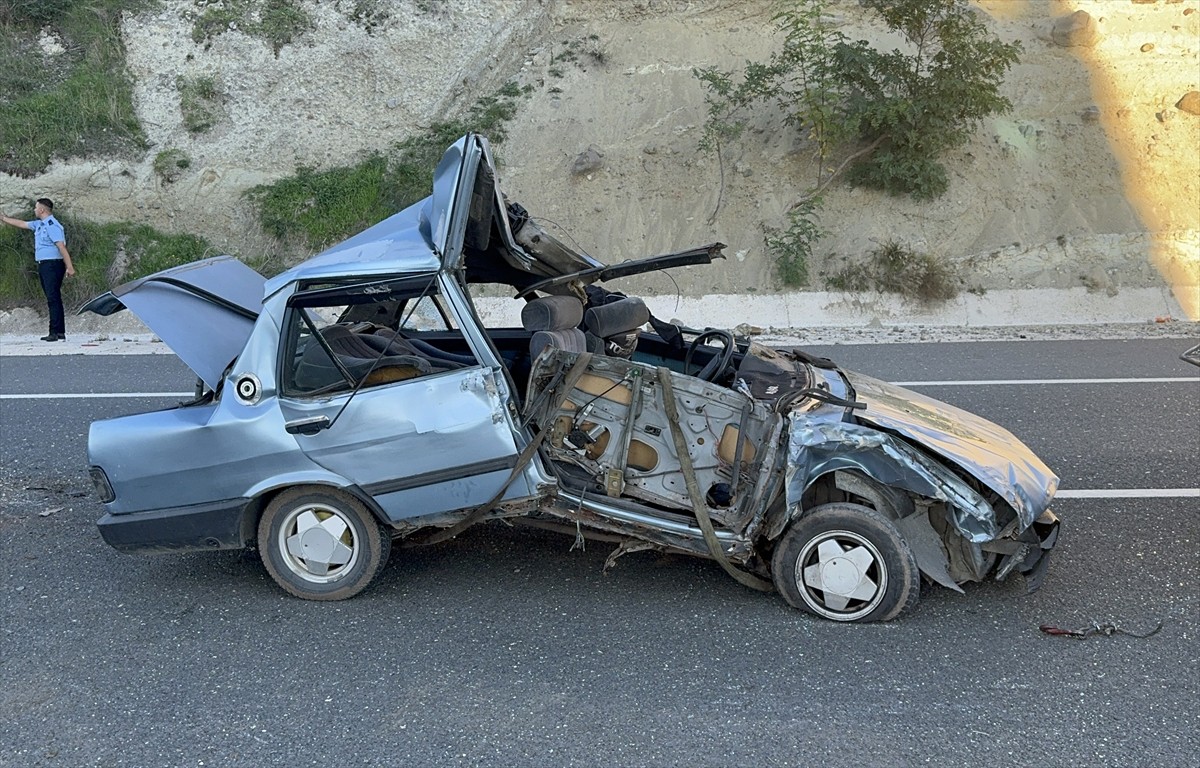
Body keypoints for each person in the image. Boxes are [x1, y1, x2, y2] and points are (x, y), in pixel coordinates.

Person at [1, 198, 75, 341]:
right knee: (53, 297)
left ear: (42, 210)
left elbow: (61, 247)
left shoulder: (52, 225)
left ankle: (54, 332)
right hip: (45, 264)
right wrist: (3, 218)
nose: (34, 210)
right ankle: (59, 332)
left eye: (36, 208)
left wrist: (69, 267)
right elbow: (22, 223)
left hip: (52, 265)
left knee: (53, 298)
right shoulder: (40, 224)